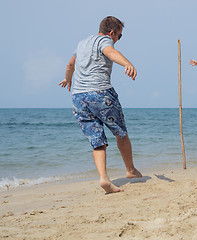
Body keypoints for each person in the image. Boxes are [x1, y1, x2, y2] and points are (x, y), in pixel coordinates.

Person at [59, 16, 142, 194]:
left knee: (97, 141)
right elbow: (110, 52)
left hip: (78, 98)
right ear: (112, 32)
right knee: (120, 132)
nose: (118, 40)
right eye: (119, 36)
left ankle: (104, 178)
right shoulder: (104, 40)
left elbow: (70, 64)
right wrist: (127, 63)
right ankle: (130, 170)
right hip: (100, 93)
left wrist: (67, 79)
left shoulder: (81, 43)